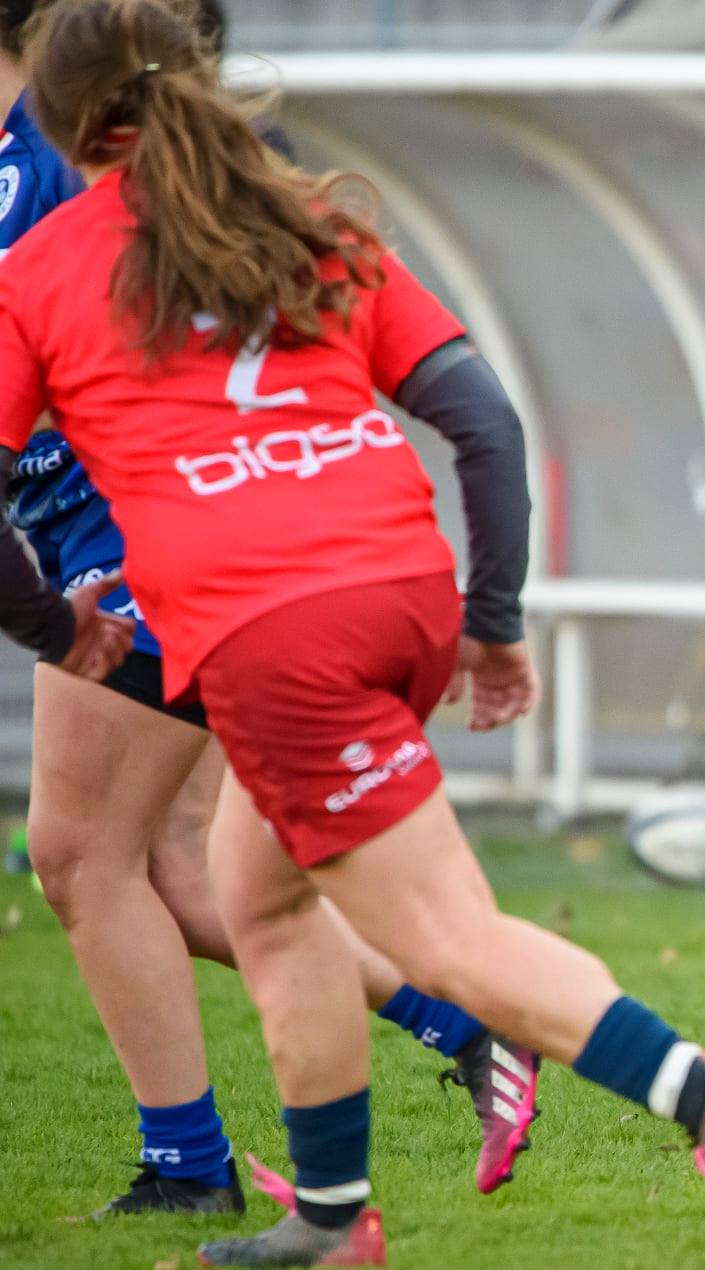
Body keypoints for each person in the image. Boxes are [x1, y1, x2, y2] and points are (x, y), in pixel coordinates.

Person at [0, 3, 705, 1266]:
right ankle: (327, 1220)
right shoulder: (314, 220)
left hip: (274, 632)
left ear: (56, 123)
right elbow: (483, 425)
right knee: (261, 897)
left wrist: (59, 630)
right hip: (403, 591)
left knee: (444, 935)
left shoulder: (41, 266)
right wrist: (491, 627)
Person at [0, 0, 547, 1218]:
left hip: (139, 547)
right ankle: (463, 1023)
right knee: (183, 868)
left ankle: (199, 1167)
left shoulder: (65, 152)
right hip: (160, 547)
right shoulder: (49, 145)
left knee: (85, 856)